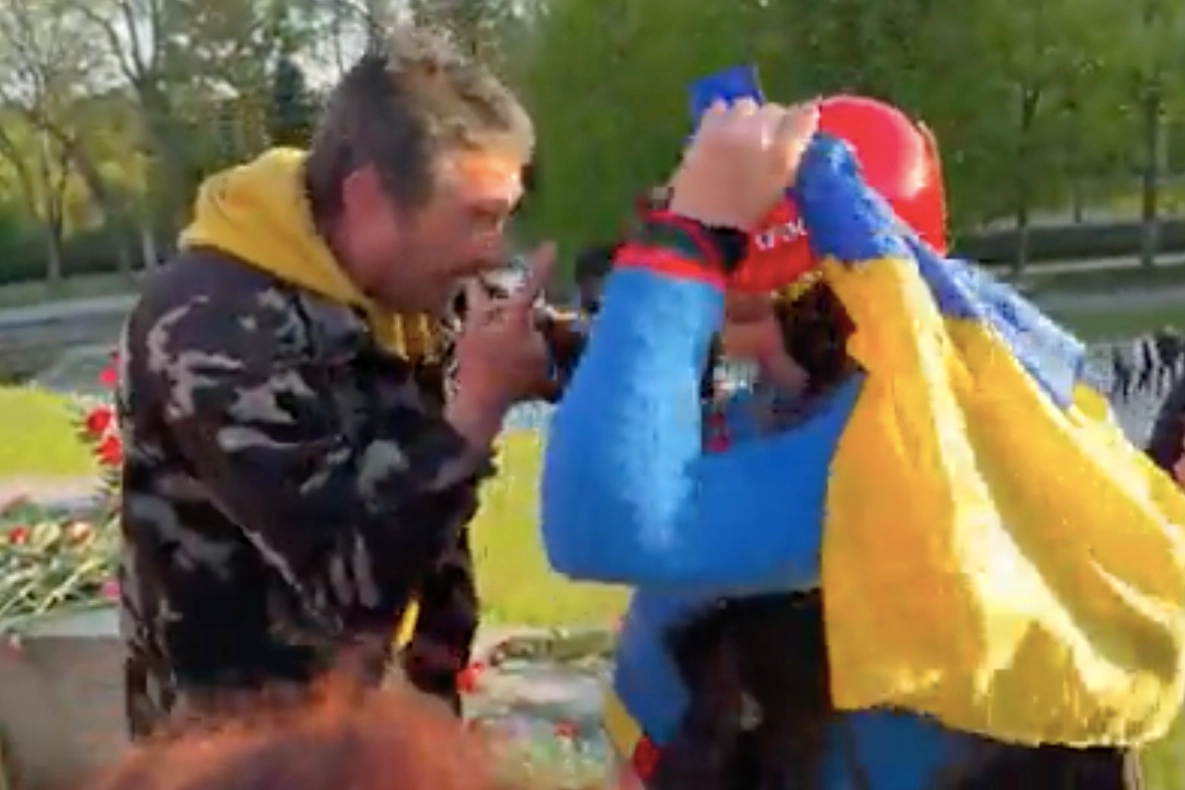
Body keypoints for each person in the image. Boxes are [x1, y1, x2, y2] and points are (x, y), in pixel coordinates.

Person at [539, 82, 1185, 789]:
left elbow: (605, 519)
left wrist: (689, 236)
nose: (737, 345)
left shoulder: (903, 442)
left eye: (749, 312)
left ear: (844, 299)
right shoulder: (997, 379)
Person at [115, 26, 554, 738]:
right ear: (370, 198)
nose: (494, 252)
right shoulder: (213, 325)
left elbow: (549, 342)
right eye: (478, 218)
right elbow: (349, 584)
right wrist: (478, 405)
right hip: (247, 757)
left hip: (378, 735)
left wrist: (693, 293)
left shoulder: (405, 285)